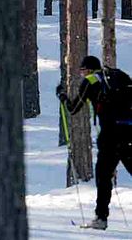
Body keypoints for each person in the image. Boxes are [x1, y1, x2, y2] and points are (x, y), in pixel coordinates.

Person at [56, 55, 132, 230]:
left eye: (82, 71)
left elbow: (73, 108)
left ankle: (101, 218)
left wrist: (62, 96)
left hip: (110, 135)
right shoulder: (119, 76)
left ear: (88, 70)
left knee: (103, 176)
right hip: (129, 132)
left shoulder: (91, 81)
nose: (82, 75)